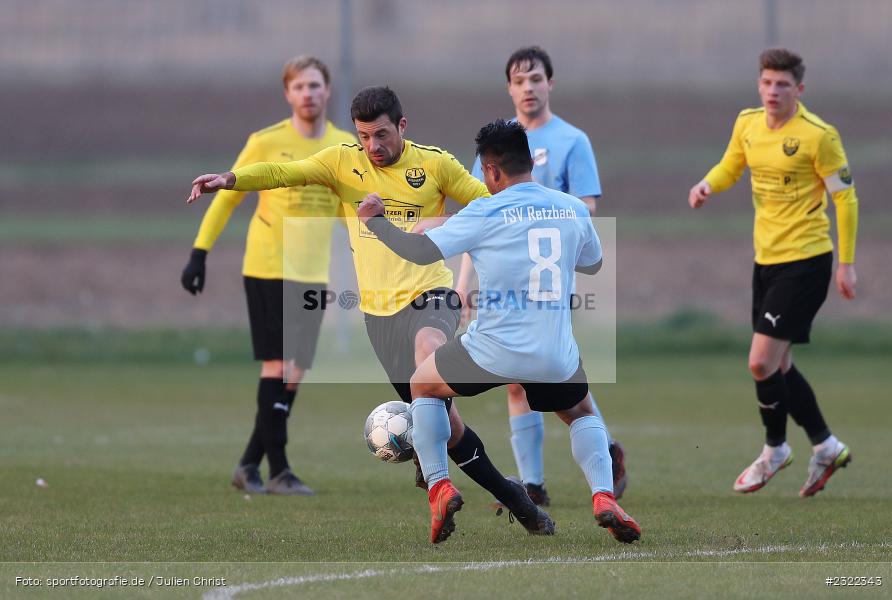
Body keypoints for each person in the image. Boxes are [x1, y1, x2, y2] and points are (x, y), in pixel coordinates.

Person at [187, 86, 554, 534]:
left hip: (430, 294)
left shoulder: (434, 164)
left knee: (429, 355)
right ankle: (515, 499)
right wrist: (231, 179)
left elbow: (492, 205)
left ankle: (438, 487)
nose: (373, 147)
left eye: (381, 134)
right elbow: (286, 171)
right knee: (449, 429)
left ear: (402, 126)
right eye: (364, 136)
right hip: (379, 316)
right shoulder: (342, 161)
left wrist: (442, 223)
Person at [357, 119, 641, 544]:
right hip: (554, 353)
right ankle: (603, 495)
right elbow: (594, 263)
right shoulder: (571, 208)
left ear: (490, 171)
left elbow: (418, 252)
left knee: (423, 385)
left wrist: (377, 222)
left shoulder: (484, 210)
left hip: (491, 349)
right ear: (529, 161)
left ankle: (438, 485)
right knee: (581, 412)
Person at [181, 56, 356, 495]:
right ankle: (279, 470)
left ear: (327, 90)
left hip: (311, 273)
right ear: (288, 94)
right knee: (277, 365)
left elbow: (349, 212)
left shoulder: (342, 146)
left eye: (315, 85)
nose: (308, 94)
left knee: (295, 371)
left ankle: (247, 464)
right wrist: (199, 253)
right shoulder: (265, 141)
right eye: (299, 87)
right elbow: (227, 198)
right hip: (268, 266)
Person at [688, 48, 858, 497]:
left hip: (807, 261)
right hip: (766, 260)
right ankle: (825, 445)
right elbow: (731, 166)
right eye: (766, 82)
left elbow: (846, 198)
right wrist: (708, 183)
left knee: (760, 361)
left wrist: (846, 263)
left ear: (798, 90)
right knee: (780, 364)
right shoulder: (747, 123)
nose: (772, 91)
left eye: (782, 84)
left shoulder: (819, 136)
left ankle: (775, 450)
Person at [469, 46, 626, 505]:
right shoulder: (495, 146)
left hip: (548, 276)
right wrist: (464, 285)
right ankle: (534, 483)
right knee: (518, 377)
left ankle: (603, 448)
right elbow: (480, 214)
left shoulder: (572, 140)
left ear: (549, 84)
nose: (528, 87)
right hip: (503, 277)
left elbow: (587, 207)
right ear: (509, 88)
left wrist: (542, 210)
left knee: (549, 370)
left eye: (536, 78)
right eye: (519, 81)